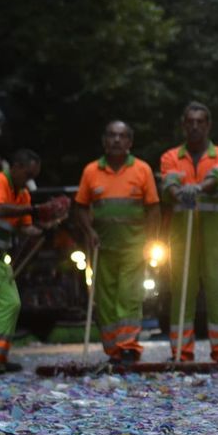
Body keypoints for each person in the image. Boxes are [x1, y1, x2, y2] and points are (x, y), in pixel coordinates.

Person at [0, 149, 67, 374]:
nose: (30, 180)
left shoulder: (22, 195)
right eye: (28, 174)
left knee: (13, 304)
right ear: (16, 167)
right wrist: (36, 210)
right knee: (6, 303)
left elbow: (25, 228)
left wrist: (48, 226)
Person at [73, 121, 160, 366]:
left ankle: (128, 346)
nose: (116, 140)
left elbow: (153, 208)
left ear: (130, 142)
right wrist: (88, 231)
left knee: (129, 295)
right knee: (105, 297)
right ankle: (113, 349)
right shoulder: (91, 171)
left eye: (122, 136)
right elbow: (80, 207)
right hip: (102, 245)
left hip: (134, 244)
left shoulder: (142, 170)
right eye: (111, 135)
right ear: (104, 141)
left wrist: (152, 238)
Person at [159, 101, 218, 363]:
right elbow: (168, 181)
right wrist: (177, 191)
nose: (194, 127)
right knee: (181, 290)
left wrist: (200, 187)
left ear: (208, 125)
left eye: (199, 122)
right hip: (182, 235)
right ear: (183, 125)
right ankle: (181, 351)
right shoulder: (171, 157)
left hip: (216, 234)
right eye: (189, 122)